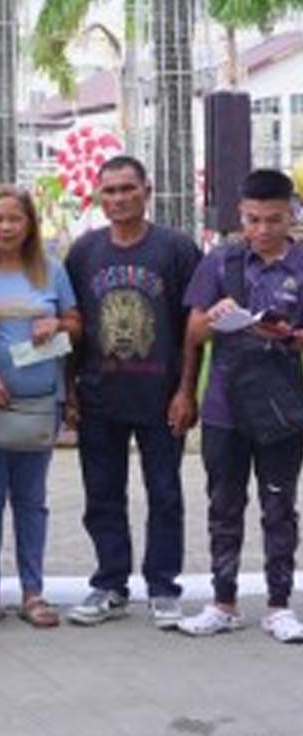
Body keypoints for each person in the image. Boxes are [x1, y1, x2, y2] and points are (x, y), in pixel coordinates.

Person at [64, 156, 202, 628]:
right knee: (102, 495)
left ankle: (163, 587)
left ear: (147, 190)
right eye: (110, 191)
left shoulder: (176, 249)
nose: (119, 199)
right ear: (98, 196)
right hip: (99, 395)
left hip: (161, 396)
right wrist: (70, 391)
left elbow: (193, 330)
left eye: (128, 188)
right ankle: (110, 583)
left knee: (164, 493)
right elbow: (73, 326)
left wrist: (186, 390)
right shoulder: (84, 252)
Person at [175, 168, 303, 641]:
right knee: (223, 506)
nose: (263, 230)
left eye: (274, 219)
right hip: (224, 407)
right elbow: (192, 334)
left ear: (292, 215)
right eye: (253, 220)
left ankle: (279, 606)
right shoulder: (220, 262)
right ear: (240, 215)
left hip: (283, 408)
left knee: (279, 507)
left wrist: (290, 336)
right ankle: (223, 602)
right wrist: (213, 318)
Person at [0, 189, 80, 632]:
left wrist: (58, 324)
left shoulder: (52, 270)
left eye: (15, 219)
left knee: (32, 501)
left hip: (40, 403)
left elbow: (77, 326)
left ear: (30, 224)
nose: (6, 227)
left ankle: (33, 591)